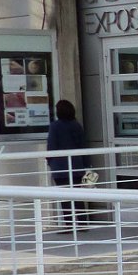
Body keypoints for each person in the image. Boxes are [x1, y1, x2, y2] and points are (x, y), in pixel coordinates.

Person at [46, 99, 90, 231]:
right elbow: (83, 146)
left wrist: (49, 161)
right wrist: (86, 164)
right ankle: (82, 224)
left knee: (65, 198)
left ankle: (69, 225)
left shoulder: (55, 126)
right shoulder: (77, 125)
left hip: (60, 167)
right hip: (77, 166)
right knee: (78, 197)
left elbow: (52, 146)